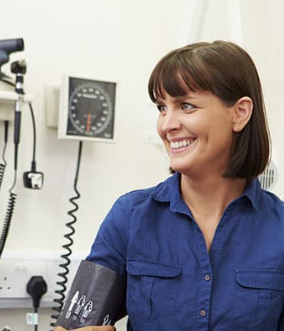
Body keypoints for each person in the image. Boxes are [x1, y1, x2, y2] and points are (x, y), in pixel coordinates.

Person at [82, 40, 284, 330]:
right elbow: (75, 323)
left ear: (239, 113)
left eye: (185, 106)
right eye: (162, 108)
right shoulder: (129, 216)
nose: (166, 125)